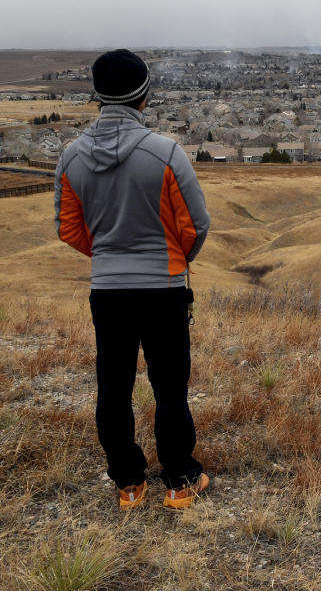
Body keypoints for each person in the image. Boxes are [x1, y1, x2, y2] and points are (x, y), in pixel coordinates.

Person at [54, 49, 211, 510]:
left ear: (97, 98)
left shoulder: (71, 158)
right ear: (144, 96)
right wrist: (173, 261)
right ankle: (180, 480)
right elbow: (196, 225)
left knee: (114, 386)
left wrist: (106, 256)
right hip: (163, 290)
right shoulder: (166, 153)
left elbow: (68, 227)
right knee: (169, 388)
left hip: (108, 292)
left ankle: (128, 483)